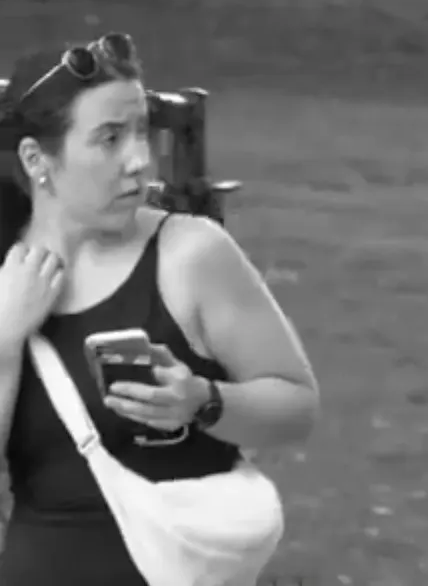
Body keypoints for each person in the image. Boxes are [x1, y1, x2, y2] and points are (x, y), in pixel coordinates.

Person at [0, 34, 320, 585]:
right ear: (37, 159)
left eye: (142, 132)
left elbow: (297, 407)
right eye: (109, 138)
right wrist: (4, 341)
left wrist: (203, 400)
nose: (139, 161)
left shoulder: (190, 254)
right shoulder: (5, 276)